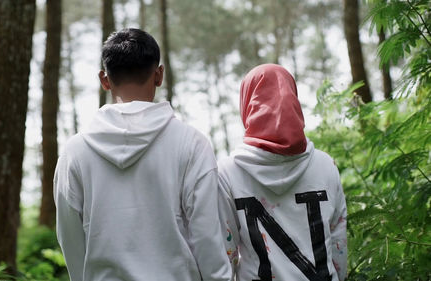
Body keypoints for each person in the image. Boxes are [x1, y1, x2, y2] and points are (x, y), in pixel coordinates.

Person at [53, 28, 231, 281]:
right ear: (159, 75)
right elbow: (207, 235)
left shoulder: (75, 151)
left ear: (104, 79)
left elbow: (70, 238)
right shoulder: (191, 143)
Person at [218, 64, 347, 281]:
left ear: (247, 104)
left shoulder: (228, 171)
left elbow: (226, 251)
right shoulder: (325, 165)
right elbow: (338, 243)